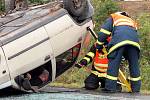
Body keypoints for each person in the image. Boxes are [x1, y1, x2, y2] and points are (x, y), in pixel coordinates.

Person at [96, 11, 141, 93]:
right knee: (134, 65)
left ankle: (110, 88)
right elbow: (134, 34)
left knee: (114, 63)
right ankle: (136, 89)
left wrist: (99, 45)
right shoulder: (131, 21)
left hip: (119, 41)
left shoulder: (114, 17)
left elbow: (104, 33)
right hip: (134, 43)